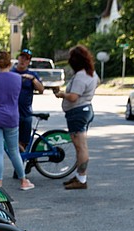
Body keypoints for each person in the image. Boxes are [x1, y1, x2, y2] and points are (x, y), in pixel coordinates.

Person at [0, 50, 35, 191]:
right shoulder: (17, 78)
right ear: (10, 62)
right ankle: (23, 181)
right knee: (14, 151)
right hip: (11, 117)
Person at [54, 45, 99, 190]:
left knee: (81, 147)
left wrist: (62, 94)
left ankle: (82, 178)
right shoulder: (91, 73)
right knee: (80, 146)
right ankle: (80, 176)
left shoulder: (80, 76)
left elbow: (73, 97)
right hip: (84, 109)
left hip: (77, 112)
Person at [13, 49, 44, 151]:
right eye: (22, 57)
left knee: (24, 142)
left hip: (26, 113)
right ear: (18, 58)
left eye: (26, 59)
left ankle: (22, 163)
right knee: (12, 141)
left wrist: (33, 79)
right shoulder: (11, 72)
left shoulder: (32, 74)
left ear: (29, 62)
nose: (23, 61)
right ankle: (19, 163)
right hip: (12, 113)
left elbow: (41, 90)